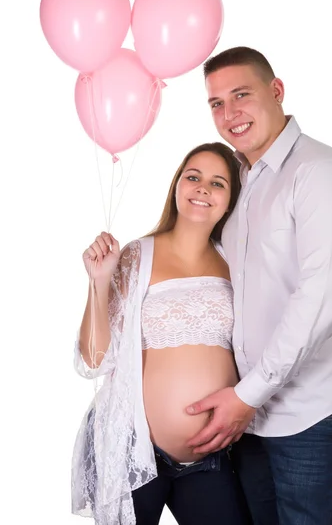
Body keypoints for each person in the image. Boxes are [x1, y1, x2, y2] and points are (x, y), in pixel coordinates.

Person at [185, 47, 332, 524]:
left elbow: (322, 296)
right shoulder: (241, 183)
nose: (229, 114)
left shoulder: (320, 171)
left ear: (277, 90)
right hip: (250, 420)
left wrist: (247, 395)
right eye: (216, 103)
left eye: (241, 95)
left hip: (315, 414)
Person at [71, 142, 251, 525]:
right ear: (177, 186)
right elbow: (94, 361)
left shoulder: (233, 262)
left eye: (218, 183)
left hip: (208, 457)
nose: (203, 188)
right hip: (132, 449)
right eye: (193, 177)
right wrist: (98, 282)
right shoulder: (138, 255)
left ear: (230, 200)